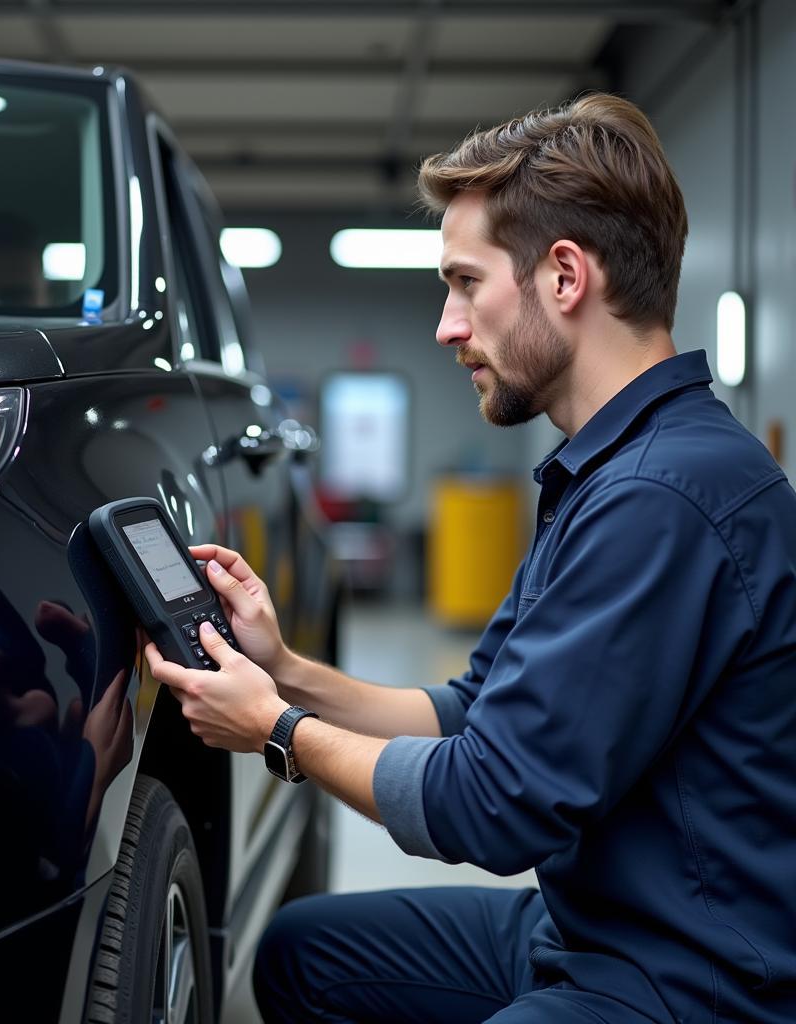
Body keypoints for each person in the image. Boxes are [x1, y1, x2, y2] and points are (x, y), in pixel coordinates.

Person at [144, 93, 796, 1023]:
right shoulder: (607, 472)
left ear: (564, 276)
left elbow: (489, 805)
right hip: (588, 928)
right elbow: (467, 714)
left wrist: (278, 734)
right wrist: (282, 672)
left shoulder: (663, 499)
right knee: (304, 955)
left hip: (690, 977)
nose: (448, 327)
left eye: (464, 283)